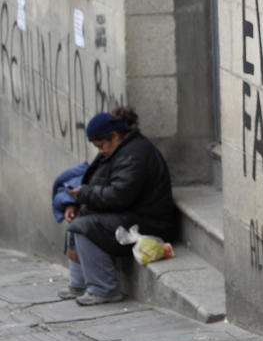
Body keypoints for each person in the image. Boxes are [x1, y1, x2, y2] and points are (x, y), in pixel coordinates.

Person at [59, 106, 178, 305]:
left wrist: (85, 194)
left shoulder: (134, 155)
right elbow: (98, 183)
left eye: (101, 145)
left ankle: (104, 289)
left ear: (114, 136)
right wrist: (76, 200)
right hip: (128, 213)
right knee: (77, 219)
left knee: (83, 227)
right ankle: (79, 284)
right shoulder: (117, 150)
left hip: (149, 221)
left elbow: (119, 196)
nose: (100, 151)